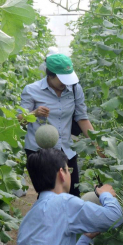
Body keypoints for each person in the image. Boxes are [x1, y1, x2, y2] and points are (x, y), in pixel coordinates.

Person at [18, 52, 97, 196]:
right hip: (40, 151)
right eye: (62, 80)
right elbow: (20, 120)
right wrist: (34, 114)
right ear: (50, 75)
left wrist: (97, 144)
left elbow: (82, 118)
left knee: (73, 192)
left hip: (66, 149)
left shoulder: (74, 89)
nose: (65, 83)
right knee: (47, 194)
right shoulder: (31, 90)